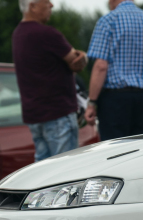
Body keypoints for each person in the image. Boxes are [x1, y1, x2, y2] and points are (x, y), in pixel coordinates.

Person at [13, 0, 88, 161]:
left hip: (34, 115)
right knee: (66, 169)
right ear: (33, 6)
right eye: (46, 2)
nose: (52, 5)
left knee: (43, 170)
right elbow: (76, 62)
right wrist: (83, 56)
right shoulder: (47, 34)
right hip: (58, 114)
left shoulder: (18, 34)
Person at [84, 0, 143, 141]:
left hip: (114, 101)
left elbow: (101, 66)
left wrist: (92, 103)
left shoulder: (108, 21)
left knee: (115, 150)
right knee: (142, 150)